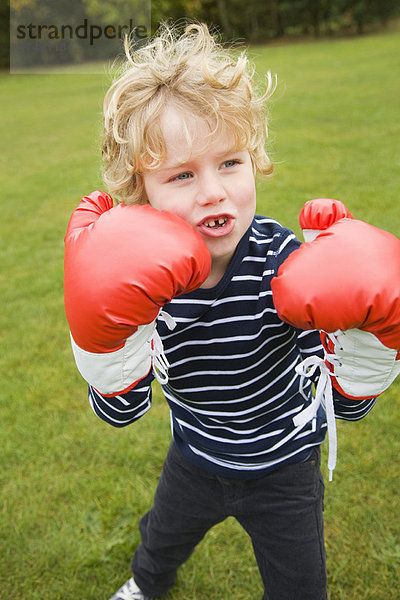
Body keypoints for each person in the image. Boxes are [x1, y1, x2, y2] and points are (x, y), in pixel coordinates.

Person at [64, 22, 389, 600]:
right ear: (142, 190)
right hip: (194, 455)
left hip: (285, 467)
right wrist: (105, 352)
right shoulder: (144, 284)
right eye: (182, 174)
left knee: (301, 588)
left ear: (255, 159)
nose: (212, 191)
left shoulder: (283, 261)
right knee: (160, 542)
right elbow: (121, 412)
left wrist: (368, 349)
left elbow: (344, 404)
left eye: (231, 163)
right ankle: (144, 584)